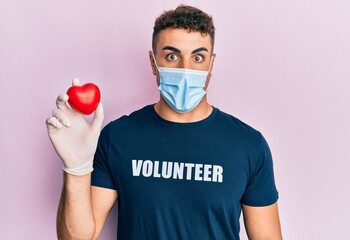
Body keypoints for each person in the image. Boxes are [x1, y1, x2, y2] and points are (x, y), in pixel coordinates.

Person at [46, 4, 282, 240]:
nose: (185, 69)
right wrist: (76, 169)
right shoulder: (118, 137)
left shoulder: (248, 145)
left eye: (198, 57)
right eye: (172, 56)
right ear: (153, 62)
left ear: (211, 63)